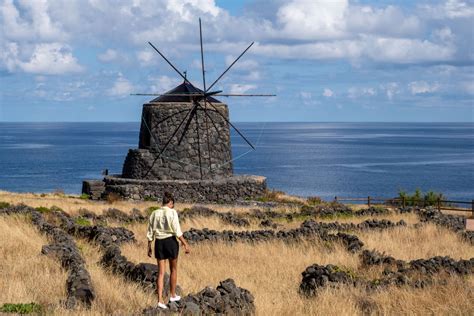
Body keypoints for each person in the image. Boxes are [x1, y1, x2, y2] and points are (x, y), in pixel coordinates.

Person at [147, 192, 190, 309]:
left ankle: (160, 300)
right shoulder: (172, 212)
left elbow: (150, 231)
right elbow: (177, 230)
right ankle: (172, 295)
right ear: (170, 202)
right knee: (173, 269)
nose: (173, 207)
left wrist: (149, 246)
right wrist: (185, 243)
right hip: (171, 242)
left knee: (161, 273)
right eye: (173, 205)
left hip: (159, 242)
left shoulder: (154, 213)